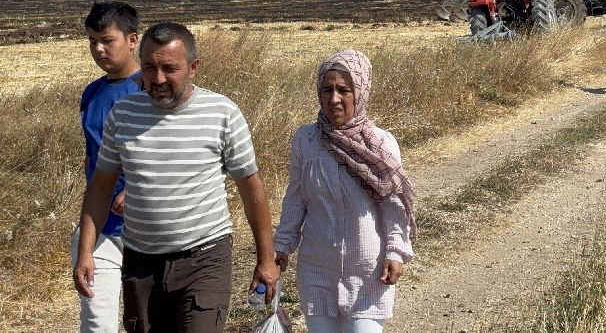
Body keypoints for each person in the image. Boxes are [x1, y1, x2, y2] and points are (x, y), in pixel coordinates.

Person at [73, 22, 278, 333]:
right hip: (141, 262)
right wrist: (86, 250)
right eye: (149, 68)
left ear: (193, 68)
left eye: (169, 69)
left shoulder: (222, 113)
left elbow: (252, 191)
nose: (158, 79)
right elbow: (100, 188)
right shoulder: (123, 114)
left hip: (204, 258)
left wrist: (266, 260)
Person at [273, 49, 415, 333]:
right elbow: (296, 198)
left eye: (343, 90)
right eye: (327, 90)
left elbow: (393, 206)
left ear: (360, 91)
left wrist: (396, 252)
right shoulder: (306, 140)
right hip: (317, 271)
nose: (334, 99)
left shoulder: (381, 144)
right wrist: (281, 248)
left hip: (368, 272)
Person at [72, 2, 141, 332]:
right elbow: (92, 158)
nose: (98, 49)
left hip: (150, 231)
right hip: (100, 229)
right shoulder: (92, 93)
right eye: (91, 41)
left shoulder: (151, 90)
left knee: (143, 320)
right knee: (97, 322)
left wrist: (133, 189)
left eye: (107, 40)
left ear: (132, 39)